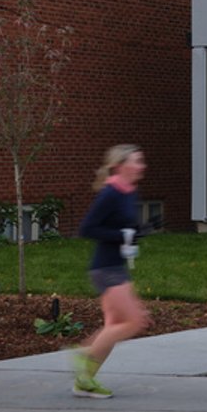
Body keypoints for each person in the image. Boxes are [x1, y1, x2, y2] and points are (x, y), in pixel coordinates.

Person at [71, 143, 152, 398]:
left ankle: (84, 381)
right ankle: (83, 358)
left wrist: (139, 231)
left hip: (115, 265)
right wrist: (121, 235)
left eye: (142, 161)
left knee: (115, 324)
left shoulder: (128, 192)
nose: (142, 166)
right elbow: (87, 229)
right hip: (106, 269)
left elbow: (123, 229)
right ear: (120, 166)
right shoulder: (111, 193)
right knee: (134, 321)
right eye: (136, 161)